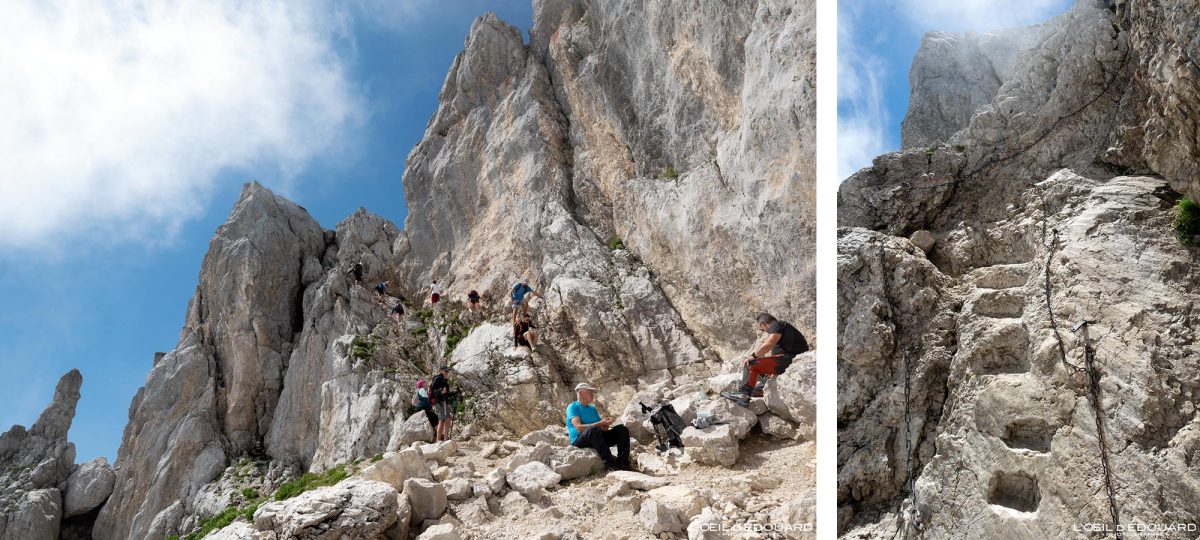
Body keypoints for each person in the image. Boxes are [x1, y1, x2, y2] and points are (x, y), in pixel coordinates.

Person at [723, 313, 809, 406]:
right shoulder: (782, 328)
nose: (763, 331)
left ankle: (743, 395)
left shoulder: (777, 324)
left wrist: (754, 356)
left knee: (750, 364)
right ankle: (759, 390)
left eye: (761, 328)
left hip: (788, 359)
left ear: (763, 324)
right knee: (761, 383)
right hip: (784, 361)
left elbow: (769, 343)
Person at [566, 383, 630, 470]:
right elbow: (578, 427)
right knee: (592, 429)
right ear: (581, 393)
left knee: (622, 429)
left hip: (596, 438)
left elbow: (600, 428)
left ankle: (623, 463)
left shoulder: (592, 408)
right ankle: (610, 464)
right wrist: (599, 424)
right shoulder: (572, 407)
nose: (593, 395)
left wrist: (605, 425)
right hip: (579, 440)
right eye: (590, 392)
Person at [430, 366, 454, 441]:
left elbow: (446, 394)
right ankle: (438, 439)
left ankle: (445, 438)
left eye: (448, 371)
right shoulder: (437, 378)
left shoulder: (445, 381)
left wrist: (454, 393)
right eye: (446, 371)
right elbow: (432, 390)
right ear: (441, 371)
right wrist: (440, 391)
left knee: (447, 419)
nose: (447, 373)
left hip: (443, 401)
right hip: (439, 402)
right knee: (442, 419)